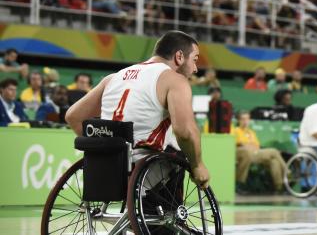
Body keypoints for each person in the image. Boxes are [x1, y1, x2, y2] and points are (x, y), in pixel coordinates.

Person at [65, 31, 210, 188]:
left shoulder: (113, 77)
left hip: (104, 166)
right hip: (142, 168)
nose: (195, 69)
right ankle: (167, 211)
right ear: (179, 56)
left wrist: (101, 150)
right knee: (183, 152)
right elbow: (185, 132)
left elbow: (73, 117)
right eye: (194, 60)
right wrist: (198, 165)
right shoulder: (175, 80)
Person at [233, 110, 287, 193]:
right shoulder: (236, 131)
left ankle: (279, 187)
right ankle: (287, 172)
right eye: (243, 119)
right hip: (247, 155)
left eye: (247, 119)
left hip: (257, 154)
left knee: (274, 161)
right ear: (239, 120)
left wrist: (249, 145)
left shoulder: (251, 132)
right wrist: (249, 145)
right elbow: (241, 145)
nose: (245, 121)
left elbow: (257, 146)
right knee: (274, 151)